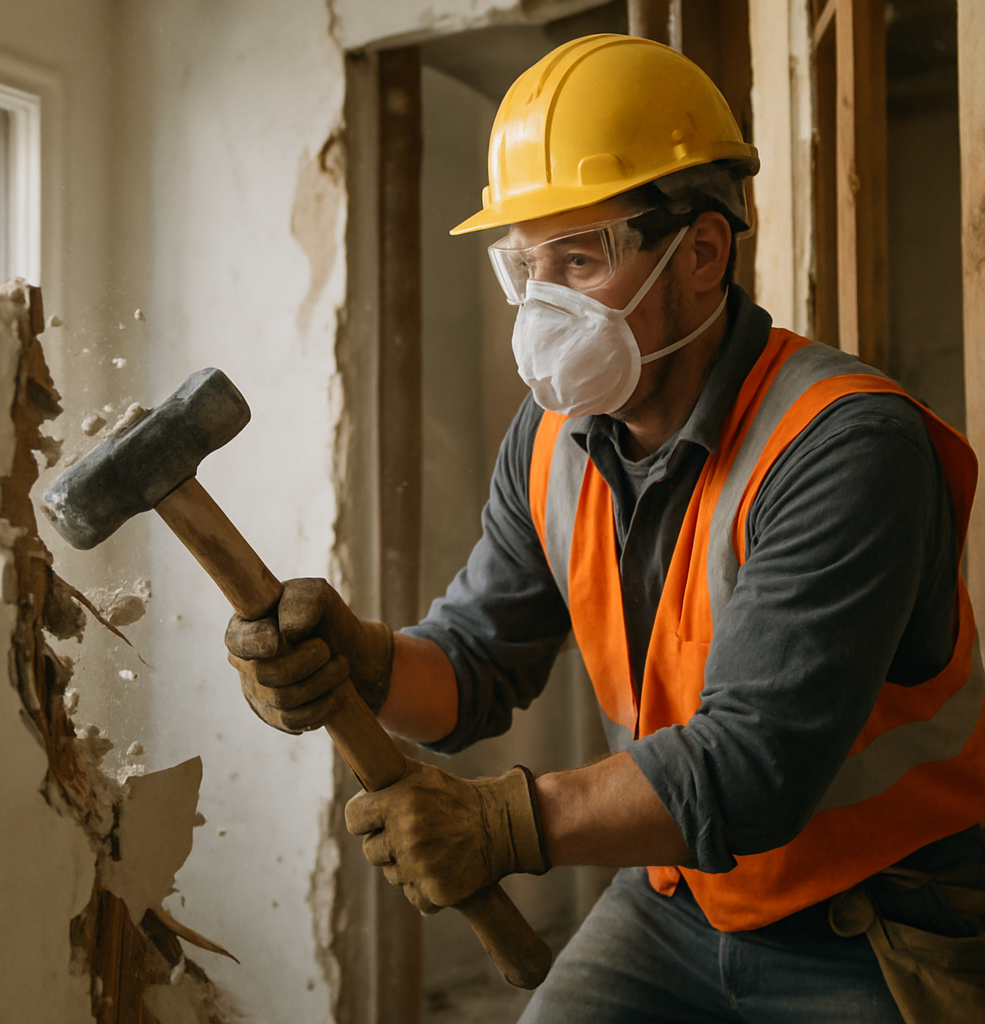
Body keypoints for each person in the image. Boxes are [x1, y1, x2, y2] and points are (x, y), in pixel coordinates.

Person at [227, 34, 985, 1024]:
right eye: (523, 267)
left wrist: (502, 823)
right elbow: (472, 665)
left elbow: (754, 767)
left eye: (577, 260)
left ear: (704, 252)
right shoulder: (551, 441)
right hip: (677, 892)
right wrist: (361, 663)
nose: (539, 309)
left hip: (877, 917)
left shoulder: (843, 445)